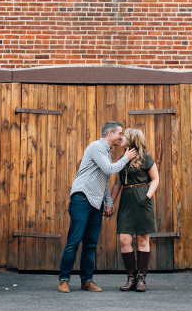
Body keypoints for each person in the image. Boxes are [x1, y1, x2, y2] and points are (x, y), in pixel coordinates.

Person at [57, 121, 137, 293]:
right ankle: (63, 280)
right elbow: (109, 170)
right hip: (82, 197)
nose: (122, 136)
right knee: (74, 241)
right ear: (110, 133)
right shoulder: (95, 147)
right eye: (119, 133)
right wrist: (126, 158)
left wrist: (108, 202)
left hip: (96, 201)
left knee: (91, 244)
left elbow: (103, 180)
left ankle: (86, 281)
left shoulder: (106, 153)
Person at [110, 127, 160, 292]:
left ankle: (141, 279)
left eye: (125, 136)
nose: (122, 137)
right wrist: (109, 202)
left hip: (142, 201)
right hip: (126, 202)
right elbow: (118, 183)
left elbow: (155, 179)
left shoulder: (146, 157)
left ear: (132, 140)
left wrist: (147, 196)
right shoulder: (122, 159)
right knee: (124, 240)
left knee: (142, 240)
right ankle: (131, 278)